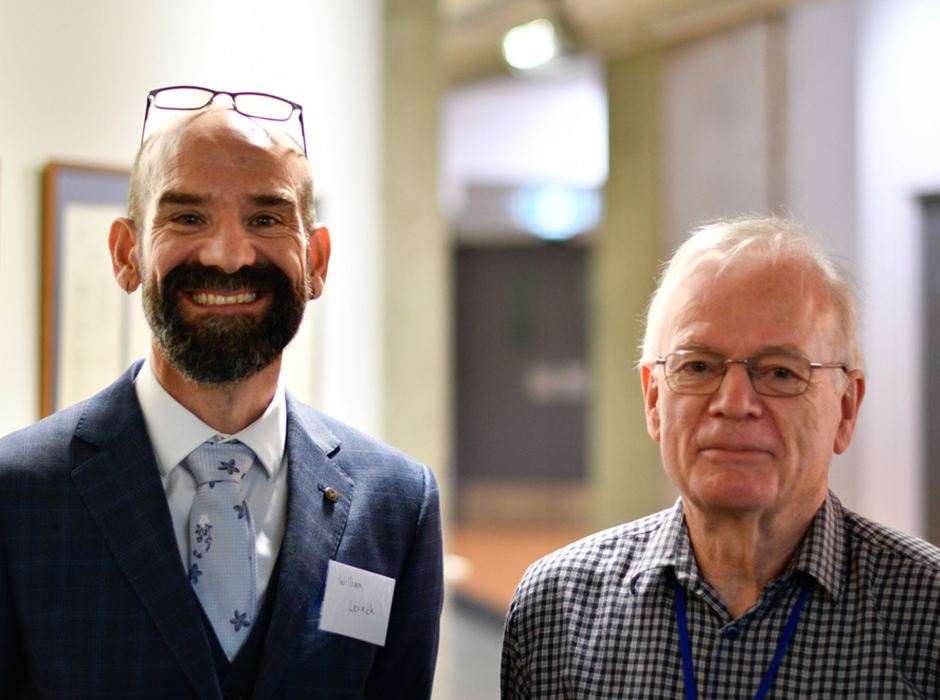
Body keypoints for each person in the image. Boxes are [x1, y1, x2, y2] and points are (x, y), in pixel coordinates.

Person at [0, 86, 443, 699]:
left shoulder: (397, 505)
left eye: (266, 219)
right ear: (127, 254)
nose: (229, 255)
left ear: (316, 261)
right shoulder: (15, 495)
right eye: (187, 218)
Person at [501, 217, 940, 699]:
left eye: (779, 372)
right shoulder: (556, 611)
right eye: (698, 366)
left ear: (846, 408)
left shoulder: (927, 611)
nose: (734, 402)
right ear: (653, 402)